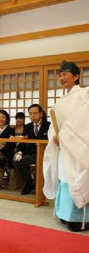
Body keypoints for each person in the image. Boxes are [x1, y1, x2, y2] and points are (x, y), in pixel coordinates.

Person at [43, 61, 89, 232]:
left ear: (76, 76)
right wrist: (55, 136)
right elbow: (55, 125)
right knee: (65, 179)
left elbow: (83, 122)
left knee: (78, 178)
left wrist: (64, 135)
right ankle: (65, 214)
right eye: (60, 74)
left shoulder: (85, 95)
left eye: (65, 74)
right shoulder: (61, 100)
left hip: (78, 146)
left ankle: (79, 219)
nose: (61, 77)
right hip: (64, 147)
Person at [13, 104, 50, 195]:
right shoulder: (27, 126)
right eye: (30, 114)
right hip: (30, 154)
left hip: (44, 154)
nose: (32, 116)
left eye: (35, 113)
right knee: (16, 160)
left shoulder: (48, 125)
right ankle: (29, 183)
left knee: (28, 160)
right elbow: (23, 141)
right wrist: (20, 152)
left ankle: (34, 184)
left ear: (41, 114)